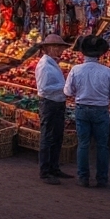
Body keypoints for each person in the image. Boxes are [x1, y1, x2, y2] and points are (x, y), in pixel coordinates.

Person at [64, 35, 110, 187]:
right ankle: (102, 178)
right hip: (100, 109)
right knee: (102, 145)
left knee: (83, 144)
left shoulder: (76, 70)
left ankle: (83, 177)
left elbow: (68, 91)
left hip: (82, 108)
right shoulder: (107, 72)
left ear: (83, 53)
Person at [34, 34, 73, 184]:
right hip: (49, 103)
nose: (60, 50)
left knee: (57, 136)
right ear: (49, 48)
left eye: (60, 47)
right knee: (48, 137)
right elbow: (44, 88)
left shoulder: (51, 63)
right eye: (57, 47)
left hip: (56, 102)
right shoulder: (45, 65)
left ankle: (54, 167)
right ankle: (45, 171)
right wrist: (65, 88)